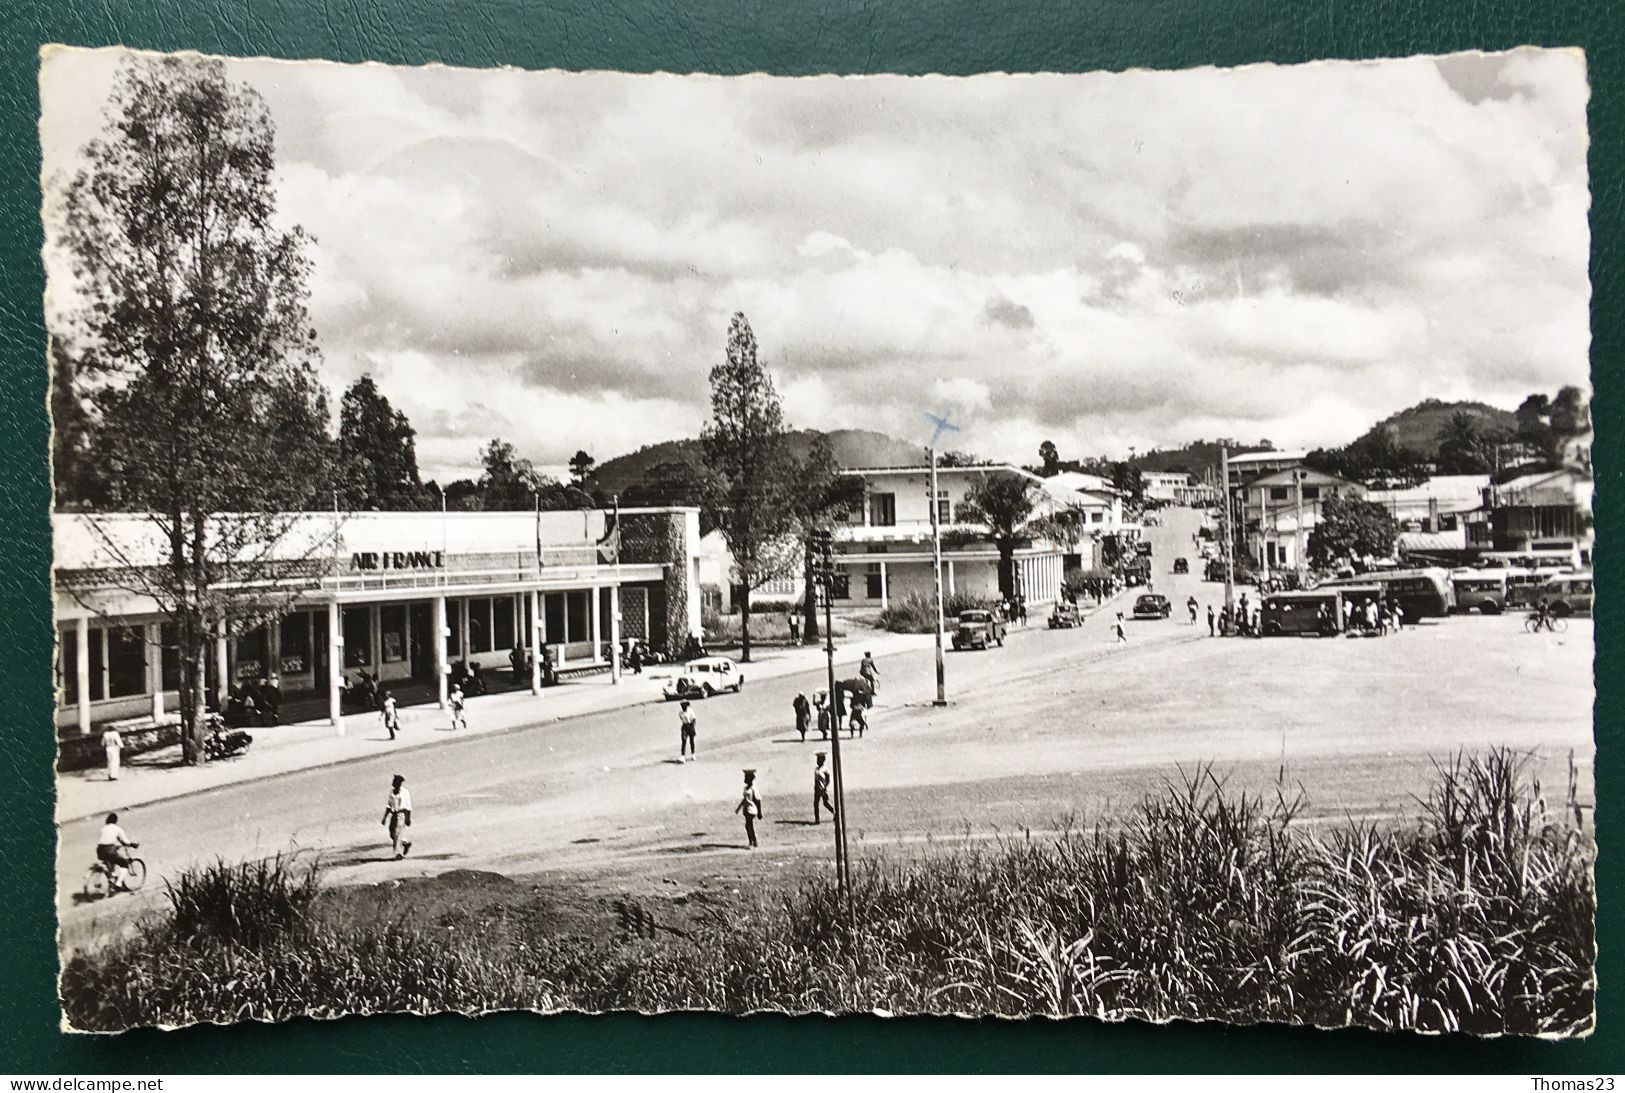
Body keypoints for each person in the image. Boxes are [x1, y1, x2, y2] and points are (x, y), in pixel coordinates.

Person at [96, 812, 137, 891]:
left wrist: (116, 846)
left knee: (111, 863)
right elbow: (125, 841)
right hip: (109, 850)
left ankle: (112, 879)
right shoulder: (117, 829)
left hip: (100, 850)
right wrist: (132, 844)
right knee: (124, 864)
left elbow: (106, 840)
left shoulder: (104, 828)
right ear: (115, 821)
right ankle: (118, 883)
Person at [381, 774, 413, 860]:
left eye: (395, 781)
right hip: (394, 814)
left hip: (402, 814)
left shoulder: (405, 792)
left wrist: (408, 818)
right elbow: (389, 805)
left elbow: (408, 806)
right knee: (392, 833)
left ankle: (398, 854)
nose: (393, 783)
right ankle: (405, 843)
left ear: (399, 783)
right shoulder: (392, 792)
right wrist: (385, 817)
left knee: (398, 833)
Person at [735, 769, 763, 849]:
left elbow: (758, 800)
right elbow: (744, 799)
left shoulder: (754, 789)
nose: (745, 779)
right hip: (746, 810)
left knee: (748, 825)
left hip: (752, 809)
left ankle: (753, 842)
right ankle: (752, 842)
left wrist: (759, 812)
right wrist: (739, 808)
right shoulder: (745, 788)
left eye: (746, 777)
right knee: (748, 826)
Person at [813, 753, 835, 824]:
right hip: (817, 789)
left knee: (825, 803)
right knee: (816, 803)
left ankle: (835, 812)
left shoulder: (825, 769)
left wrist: (825, 787)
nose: (817, 761)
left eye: (819, 760)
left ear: (822, 761)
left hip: (822, 789)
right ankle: (817, 819)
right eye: (817, 760)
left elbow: (828, 779)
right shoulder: (816, 769)